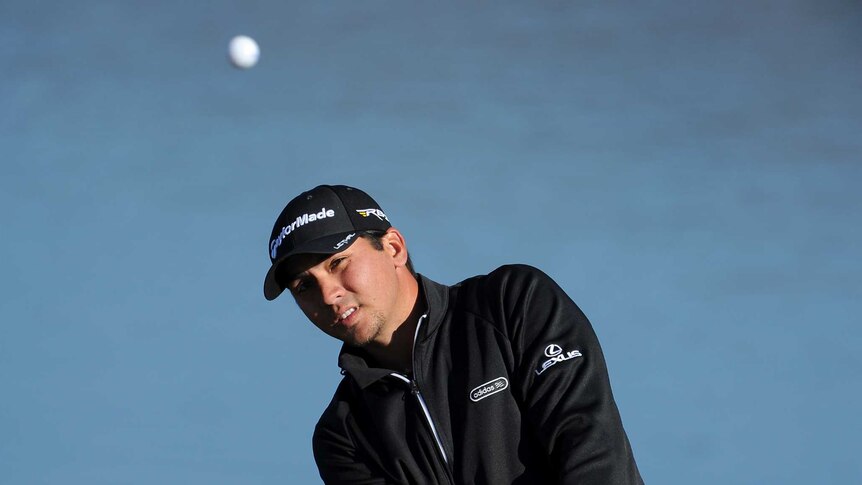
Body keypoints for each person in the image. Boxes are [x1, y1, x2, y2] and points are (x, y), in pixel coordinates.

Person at [263, 185, 644, 484]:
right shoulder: (343, 436)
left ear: (394, 247)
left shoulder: (514, 303)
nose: (328, 294)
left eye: (338, 262)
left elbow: (592, 451)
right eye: (304, 286)